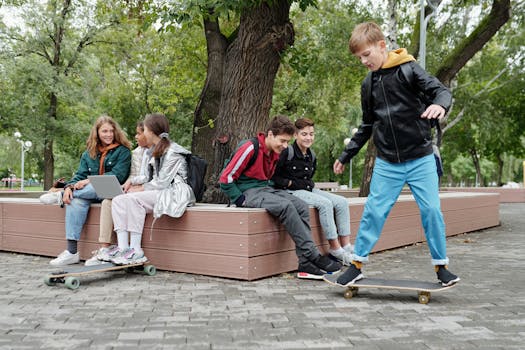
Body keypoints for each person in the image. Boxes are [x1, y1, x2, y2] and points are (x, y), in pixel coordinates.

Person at [332, 22, 460, 287]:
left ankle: (441, 267)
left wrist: (439, 104)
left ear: (382, 46)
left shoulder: (409, 70)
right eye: (359, 58)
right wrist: (346, 156)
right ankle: (356, 266)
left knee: (431, 211)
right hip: (388, 161)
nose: (363, 61)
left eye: (366, 55)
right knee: (374, 212)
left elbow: (441, 90)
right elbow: (367, 125)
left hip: (421, 157)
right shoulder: (368, 85)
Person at [219, 115, 342, 280]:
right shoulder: (249, 147)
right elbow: (225, 178)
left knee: (301, 205)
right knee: (285, 206)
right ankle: (312, 254)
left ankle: (305, 264)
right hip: (247, 192)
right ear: (270, 134)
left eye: (287, 142)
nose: (285, 146)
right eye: (282, 141)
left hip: (265, 189)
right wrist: (239, 199)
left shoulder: (275, 152)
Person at [41, 115, 132, 266]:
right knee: (74, 200)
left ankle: (60, 195)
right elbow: (79, 175)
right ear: (97, 133)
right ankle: (71, 252)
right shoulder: (88, 153)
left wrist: (89, 180)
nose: (108, 134)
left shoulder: (123, 151)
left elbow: (118, 175)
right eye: (104, 131)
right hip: (91, 193)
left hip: (114, 191)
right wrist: (70, 187)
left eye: (111, 131)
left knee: (97, 183)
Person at [109, 113, 195, 265]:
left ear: (152, 131)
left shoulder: (173, 152)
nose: (143, 134)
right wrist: (132, 181)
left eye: (145, 130)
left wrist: (140, 189)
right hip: (161, 191)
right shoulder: (156, 150)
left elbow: (162, 182)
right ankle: (123, 248)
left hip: (174, 193)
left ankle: (136, 250)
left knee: (133, 199)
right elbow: (148, 176)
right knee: (118, 200)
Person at [272, 117, 353, 267]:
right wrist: (290, 183)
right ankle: (335, 249)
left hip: (307, 189)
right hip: (290, 192)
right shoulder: (287, 152)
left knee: (341, 202)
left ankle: (346, 246)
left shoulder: (312, 155)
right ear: (295, 135)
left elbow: (310, 178)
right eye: (304, 134)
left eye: (311, 134)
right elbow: (273, 176)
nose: (308, 137)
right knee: (325, 204)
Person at [84, 121, 153, 266]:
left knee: (112, 198)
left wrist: (138, 186)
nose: (135, 137)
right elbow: (133, 175)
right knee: (109, 201)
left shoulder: (157, 151)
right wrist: (129, 185)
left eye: (139, 133)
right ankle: (107, 249)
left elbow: (155, 179)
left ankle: (130, 249)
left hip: (148, 192)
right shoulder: (137, 153)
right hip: (132, 189)